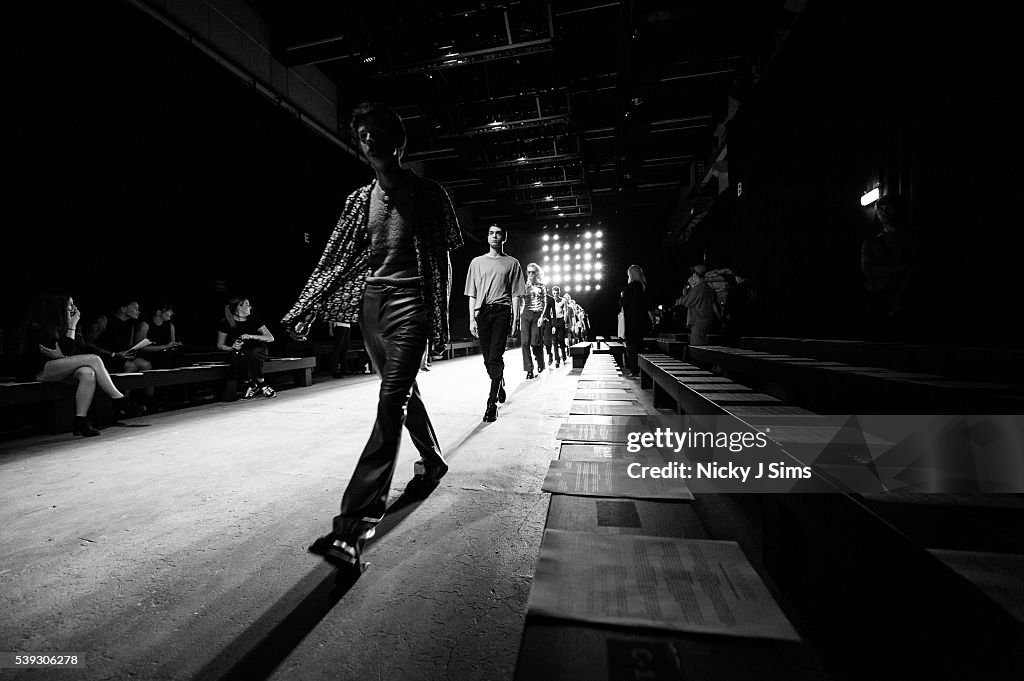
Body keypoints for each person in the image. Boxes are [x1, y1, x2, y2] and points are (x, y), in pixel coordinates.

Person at [284, 102, 463, 573]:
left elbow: (443, 260)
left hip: (412, 305)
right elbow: (333, 260)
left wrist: (437, 322)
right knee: (401, 395)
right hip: (372, 305)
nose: (370, 140)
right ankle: (433, 459)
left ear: (398, 142)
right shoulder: (357, 201)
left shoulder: (429, 194)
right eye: (362, 134)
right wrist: (307, 307)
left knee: (390, 401)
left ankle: (354, 527)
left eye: (378, 132)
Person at [17, 293, 138, 436]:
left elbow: (72, 351)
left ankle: (81, 420)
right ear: (57, 307)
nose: (73, 307)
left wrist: (72, 326)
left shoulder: (67, 324)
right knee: (93, 359)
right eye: (69, 304)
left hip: (57, 368)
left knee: (88, 373)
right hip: (37, 371)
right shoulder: (38, 326)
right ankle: (118, 398)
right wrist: (70, 332)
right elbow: (57, 353)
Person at [466, 223, 525, 422]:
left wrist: (516, 318)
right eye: (491, 233)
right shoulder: (476, 262)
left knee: (495, 357)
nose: (494, 236)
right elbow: (472, 293)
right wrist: (471, 318)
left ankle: (491, 404)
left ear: (504, 237)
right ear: (487, 237)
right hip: (482, 313)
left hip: (502, 312)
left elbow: (517, 294)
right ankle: (498, 382)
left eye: (498, 234)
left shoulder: (512, 263)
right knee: (487, 358)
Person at [861, 193, 915, 339]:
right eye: (880, 210)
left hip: (902, 295)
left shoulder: (910, 240)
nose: (883, 213)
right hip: (879, 298)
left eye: (888, 209)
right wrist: (901, 268)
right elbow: (868, 270)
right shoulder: (871, 243)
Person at [216, 296, 277, 400]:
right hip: (242, 352)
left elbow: (270, 338)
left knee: (254, 354)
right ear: (239, 308)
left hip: (258, 349)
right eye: (247, 305)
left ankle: (262, 384)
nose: (250, 307)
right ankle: (251, 384)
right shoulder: (225, 323)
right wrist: (232, 347)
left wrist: (251, 336)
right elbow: (220, 345)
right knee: (235, 356)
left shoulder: (254, 320)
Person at [86, 300, 153, 374]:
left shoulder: (130, 325)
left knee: (146, 365)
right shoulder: (104, 320)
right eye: (135, 308)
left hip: (118, 357)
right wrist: (113, 354)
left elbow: (128, 346)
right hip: (103, 356)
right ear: (123, 309)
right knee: (131, 367)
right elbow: (88, 344)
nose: (138, 312)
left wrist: (129, 353)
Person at [674, 264, 719, 347]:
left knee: (698, 350)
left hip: (698, 324)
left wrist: (683, 296)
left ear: (695, 275)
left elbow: (686, 302)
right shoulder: (709, 289)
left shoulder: (698, 288)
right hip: (707, 322)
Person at [620, 265, 653, 377]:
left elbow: (624, 303)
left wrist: (622, 297)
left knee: (632, 347)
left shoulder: (628, 288)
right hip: (642, 322)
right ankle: (642, 371)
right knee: (640, 346)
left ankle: (634, 370)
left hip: (631, 322)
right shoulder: (643, 287)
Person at [519, 263, 548, 379]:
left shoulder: (541, 285)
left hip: (537, 315)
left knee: (535, 342)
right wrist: (520, 315)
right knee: (525, 342)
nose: (530, 274)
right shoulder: (524, 286)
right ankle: (529, 370)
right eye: (529, 272)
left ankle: (540, 361)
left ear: (537, 273)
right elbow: (521, 301)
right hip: (526, 314)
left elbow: (545, 302)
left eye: (533, 272)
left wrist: (542, 316)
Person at [137, 303, 184, 368]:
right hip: (148, 356)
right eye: (169, 311)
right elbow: (140, 348)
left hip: (163, 355)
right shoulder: (145, 325)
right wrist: (165, 346)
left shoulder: (170, 326)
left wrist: (175, 344)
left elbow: (171, 345)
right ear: (159, 312)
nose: (172, 313)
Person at [550, 286, 567, 367]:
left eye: (556, 293)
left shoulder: (563, 300)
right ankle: (557, 359)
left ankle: (563, 354)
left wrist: (565, 320)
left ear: (559, 293)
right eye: (554, 293)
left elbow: (566, 311)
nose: (555, 295)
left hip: (561, 320)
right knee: (555, 340)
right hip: (553, 321)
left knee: (561, 339)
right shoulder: (551, 300)